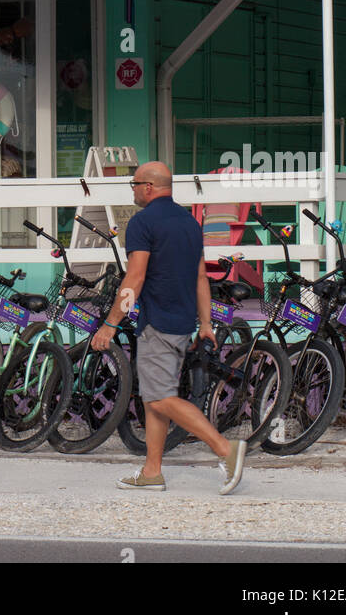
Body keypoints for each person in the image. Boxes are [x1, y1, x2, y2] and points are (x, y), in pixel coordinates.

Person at [90, 160, 246, 495]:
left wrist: (111, 323)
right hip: (183, 322)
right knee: (153, 398)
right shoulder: (190, 222)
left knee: (159, 398)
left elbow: (135, 276)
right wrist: (205, 323)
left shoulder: (142, 223)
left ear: (148, 186)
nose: (132, 189)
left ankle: (225, 449)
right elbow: (201, 276)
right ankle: (152, 472)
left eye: (133, 184)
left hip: (158, 322)